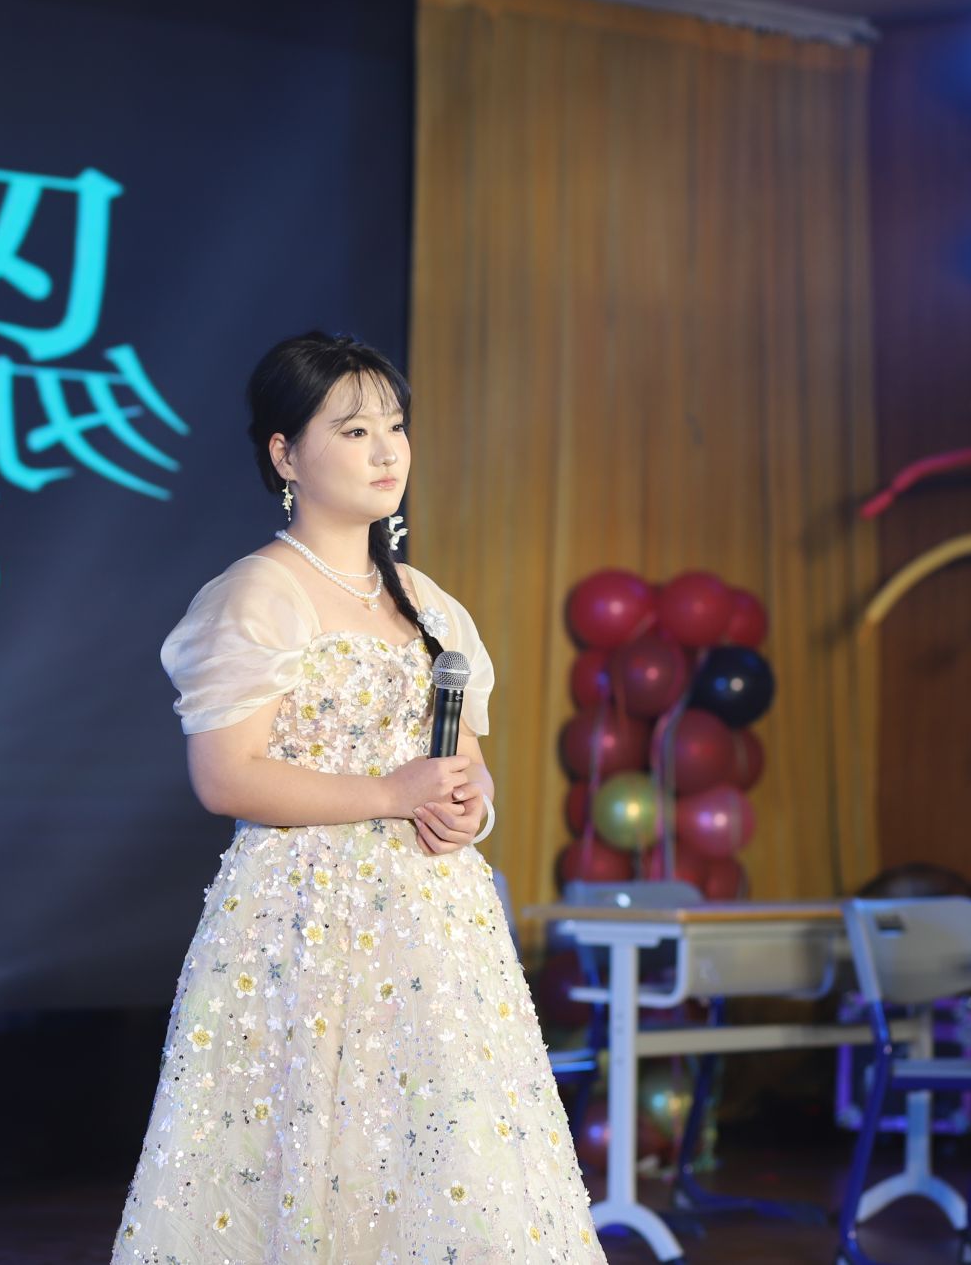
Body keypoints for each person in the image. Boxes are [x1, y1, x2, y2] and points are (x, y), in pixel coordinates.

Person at [112, 332, 608, 1263]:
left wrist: (469, 807)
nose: (387, 451)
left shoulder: (427, 601)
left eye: (395, 426)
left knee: (444, 1166)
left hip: (434, 928)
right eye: (353, 430)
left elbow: (464, 767)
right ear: (285, 453)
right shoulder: (256, 594)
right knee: (308, 1158)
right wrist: (389, 790)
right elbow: (225, 775)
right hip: (301, 923)